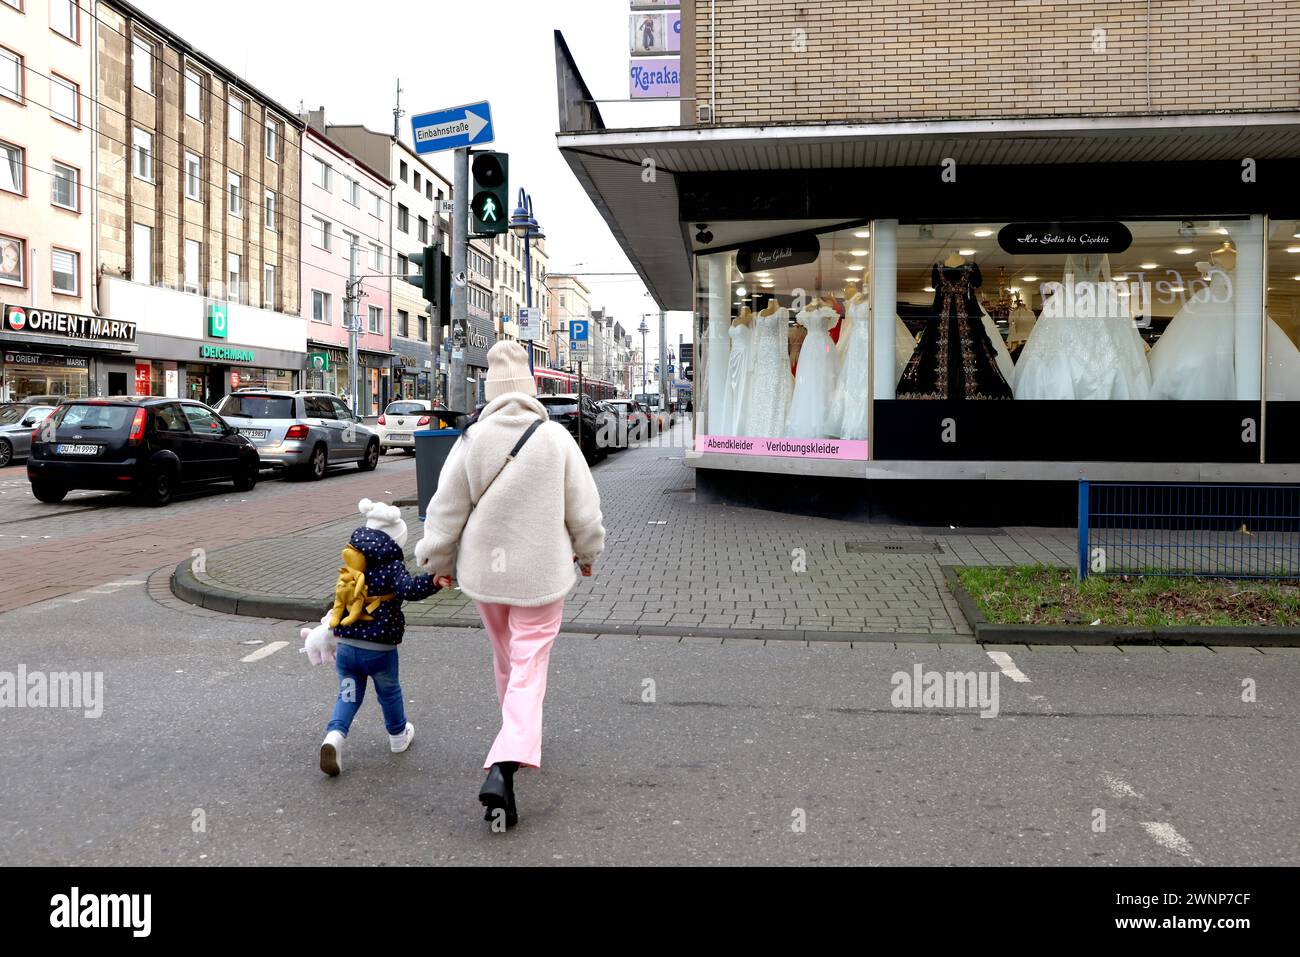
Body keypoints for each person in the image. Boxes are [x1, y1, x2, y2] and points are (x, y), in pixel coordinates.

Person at [416, 341, 605, 829]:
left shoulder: (470, 439)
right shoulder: (555, 438)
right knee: (529, 663)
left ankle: (514, 743)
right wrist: (588, 555)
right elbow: (584, 512)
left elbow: (445, 509)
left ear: (490, 392)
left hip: (485, 574)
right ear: (530, 389)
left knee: (507, 659)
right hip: (541, 575)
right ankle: (505, 763)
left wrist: (438, 560)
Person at [319, 499, 450, 777]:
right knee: (388, 691)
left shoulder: (353, 559)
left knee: (348, 694)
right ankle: (398, 736)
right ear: (395, 540)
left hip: (347, 646)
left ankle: (334, 737)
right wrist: (433, 581)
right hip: (378, 648)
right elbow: (408, 589)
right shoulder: (391, 565)